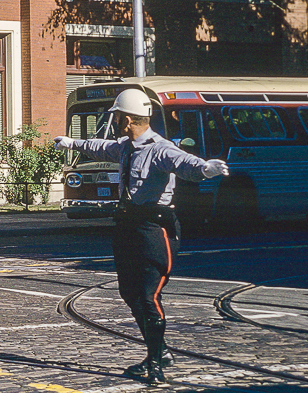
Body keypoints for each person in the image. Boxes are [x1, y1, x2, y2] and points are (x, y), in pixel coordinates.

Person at [54, 88, 229, 386]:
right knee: (129, 293)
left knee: (149, 296)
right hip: (127, 224)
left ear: (126, 120)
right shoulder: (126, 146)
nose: (116, 121)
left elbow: (184, 162)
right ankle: (159, 353)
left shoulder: (159, 149)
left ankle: (156, 364)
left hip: (154, 227)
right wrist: (73, 142)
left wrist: (205, 169)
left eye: (117, 116)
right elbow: (101, 146)